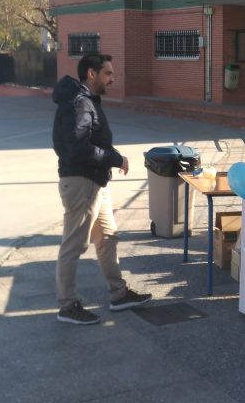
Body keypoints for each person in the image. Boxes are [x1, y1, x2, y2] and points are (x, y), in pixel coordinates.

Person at [52, 53, 151, 325]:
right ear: (91, 74)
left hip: (95, 183)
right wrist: (114, 159)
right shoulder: (79, 103)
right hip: (82, 182)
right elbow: (79, 147)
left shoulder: (86, 101)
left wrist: (114, 156)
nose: (113, 78)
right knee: (74, 244)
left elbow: (93, 139)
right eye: (107, 73)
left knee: (107, 237)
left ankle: (119, 294)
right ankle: (67, 305)